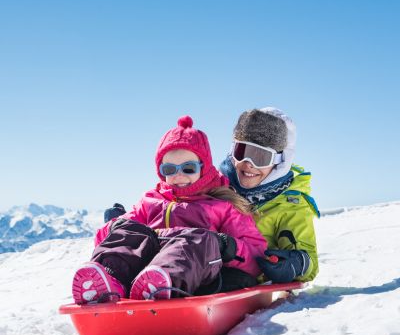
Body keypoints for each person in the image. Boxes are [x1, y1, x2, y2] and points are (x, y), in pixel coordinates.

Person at [72, 115, 267, 304]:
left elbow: (255, 255)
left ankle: (161, 285)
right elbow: (110, 241)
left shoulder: (222, 205)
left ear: (204, 167)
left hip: (195, 276)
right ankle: (108, 281)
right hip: (142, 270)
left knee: (200, 239)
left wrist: (227, 246)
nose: (178, 176)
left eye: (188, 168)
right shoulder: (150, 201)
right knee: (130, 229)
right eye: (169, 170)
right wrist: (115, 225)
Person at [220, 107, 319, 283]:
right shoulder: (217, 189)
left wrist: (295, 263)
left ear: (279, 162)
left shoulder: (290, 205)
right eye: (242, 152)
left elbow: (308, 259)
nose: (248, 163)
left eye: (260, 157)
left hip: (245, 279)